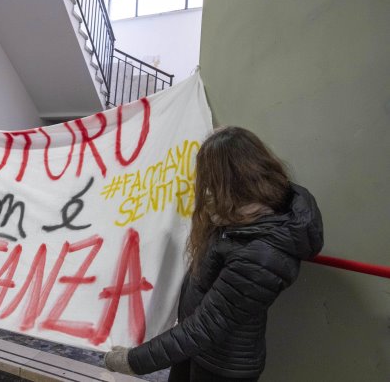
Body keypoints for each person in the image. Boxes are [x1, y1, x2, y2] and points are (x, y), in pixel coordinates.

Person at [105, 127, 323, 381]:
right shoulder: (242, 218)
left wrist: (132, 361)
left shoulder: (261, 253)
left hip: (221, 367)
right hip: (196, 352)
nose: (206, 190)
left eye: (212, 180)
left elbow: (205, 327)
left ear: (236, 180)